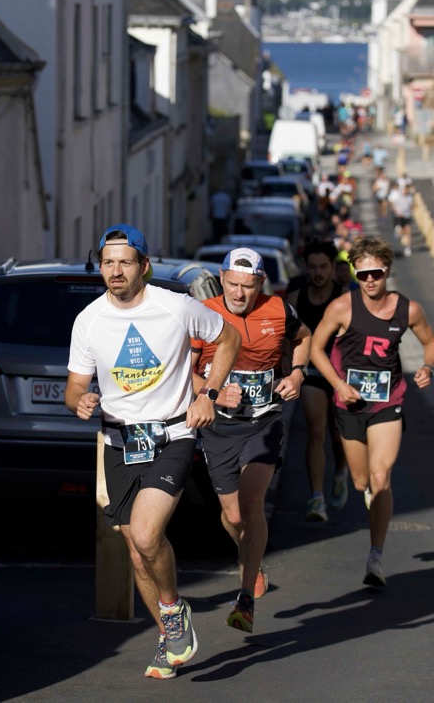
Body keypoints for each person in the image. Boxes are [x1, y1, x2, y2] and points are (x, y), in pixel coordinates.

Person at [65, 224, 240, 680]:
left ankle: (173, 611)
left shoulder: (175, 306)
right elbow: (74, 385)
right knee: (135, 550)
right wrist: (79, 400)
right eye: (107, 262)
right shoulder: (89, 320)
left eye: (124, 262)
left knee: (146, 535)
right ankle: (169, 637)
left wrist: (209, 393)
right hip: (119, 442)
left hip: (172, 435)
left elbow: (229, 339)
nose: (115, 271)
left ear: (143, 265)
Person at [308, 237, 434, 589]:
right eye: (362, 274)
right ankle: (366, 491)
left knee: (382, 476)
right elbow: (315, 349)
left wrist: (427, 367)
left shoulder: (407, 309)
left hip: (387, 401)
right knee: (361, 481)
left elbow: (431, 342)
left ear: (387, 271)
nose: (369, 280)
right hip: (350, 403)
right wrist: (339, 385)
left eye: (376, 273)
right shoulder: (342, 307)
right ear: (355, 272)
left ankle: (375, 556)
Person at [190, 247, 311, 633]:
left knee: (252, 500)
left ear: (260, 283)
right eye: (233, 284)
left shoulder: (279, 310)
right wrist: (212, 393)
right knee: (234, 516)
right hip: (219, 427)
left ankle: (245, 597)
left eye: (248, 286)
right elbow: (182, 372)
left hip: (264, 420)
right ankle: (250, 558)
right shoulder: (202, 314)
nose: (239, 293)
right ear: (221, 279)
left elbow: (304, 337)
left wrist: (297, 373)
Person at [285, 242, 349, 522]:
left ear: (333, 268)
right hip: (311, 373)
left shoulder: (345, 298)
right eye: (313, 267)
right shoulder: (296, 298)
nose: (318, 272)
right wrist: (287, 366)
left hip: (341, 376)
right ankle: (316, 498)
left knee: (338, 433)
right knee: (316, 430)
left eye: (324, 267)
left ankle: (340, 471)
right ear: (306, 268)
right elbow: (286, 340)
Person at [388, 180, 415, 256]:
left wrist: (411, 209)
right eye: (405, 189)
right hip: (398, 216)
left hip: (406, 216)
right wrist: (395, 210)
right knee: (401, 232)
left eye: (407, 189)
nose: (406, 191)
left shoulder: (409, 197)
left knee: (408, 232)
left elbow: (411, 205)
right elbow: (391, 202)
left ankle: (408, 248)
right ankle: (399, 233)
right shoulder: (397, 196)